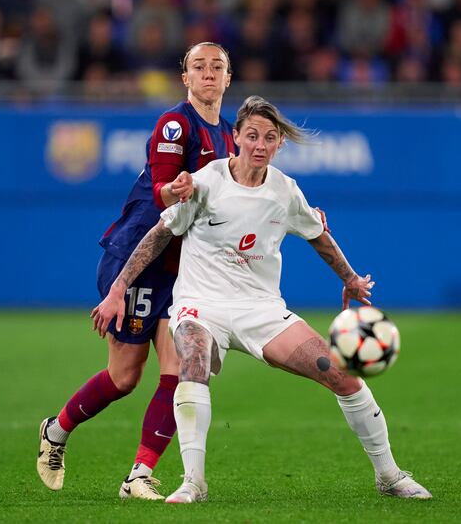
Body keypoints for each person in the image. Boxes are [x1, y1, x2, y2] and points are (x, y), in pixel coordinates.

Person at [91, 96, 432, 503]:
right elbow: (160, 234)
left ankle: (389, 475)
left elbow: (317, 235)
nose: (259, 144)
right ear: (234, 138)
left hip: (260, 308)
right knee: (192, 360)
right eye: (251, 135)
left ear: (279, 145)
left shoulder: (285, 191)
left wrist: (351, 279)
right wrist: (117, 290)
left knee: (341, 375)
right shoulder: (205, 182)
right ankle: (193, 482)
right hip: (200, 304)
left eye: (269, 138)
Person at [37, 42, 236, 501]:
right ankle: (56, 430)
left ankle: (139, 476)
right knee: (125, 376)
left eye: (217, 67)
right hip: (138, 260)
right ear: (184, 77)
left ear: (229, 78)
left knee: (182, 369)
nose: (208, 74)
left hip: (182, 270)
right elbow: (164, 190)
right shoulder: (174, 123)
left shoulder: (228, 135)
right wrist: (178, 189)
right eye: (198, 67)